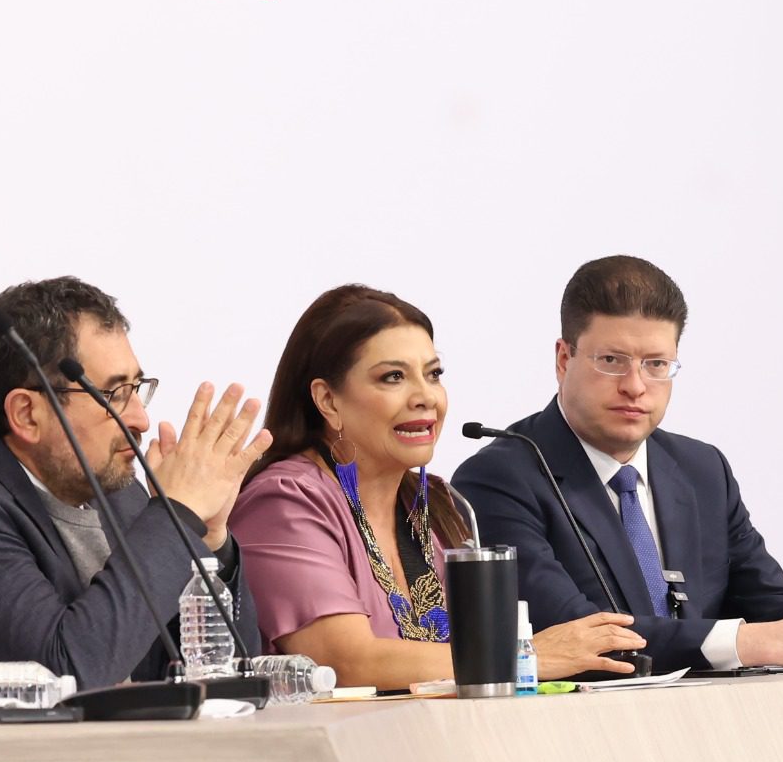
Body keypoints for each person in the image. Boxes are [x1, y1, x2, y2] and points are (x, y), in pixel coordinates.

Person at [448, 256, 783, 671]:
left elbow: (769, 604)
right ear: (564, 359)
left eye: (656, 364)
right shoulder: (499, 478)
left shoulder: (702, 469)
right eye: (612, 361)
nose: (636, 386)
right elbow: (577, 639)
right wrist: (757, 642)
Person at [0, 278, 266, 695]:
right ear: (27, 414)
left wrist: (209, 539)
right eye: (113, 395)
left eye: (138, 389)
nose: (140, 419)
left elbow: (220, 673)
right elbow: (64, 674)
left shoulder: (119, 495)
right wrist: (175, 515)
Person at [231, 284, 646, 687]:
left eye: (433, 375)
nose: (425, 397)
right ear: (327, 400)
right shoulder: (284, 501)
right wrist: (525, 656)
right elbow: (345, 661)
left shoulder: (436, 502)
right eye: (393, 377)